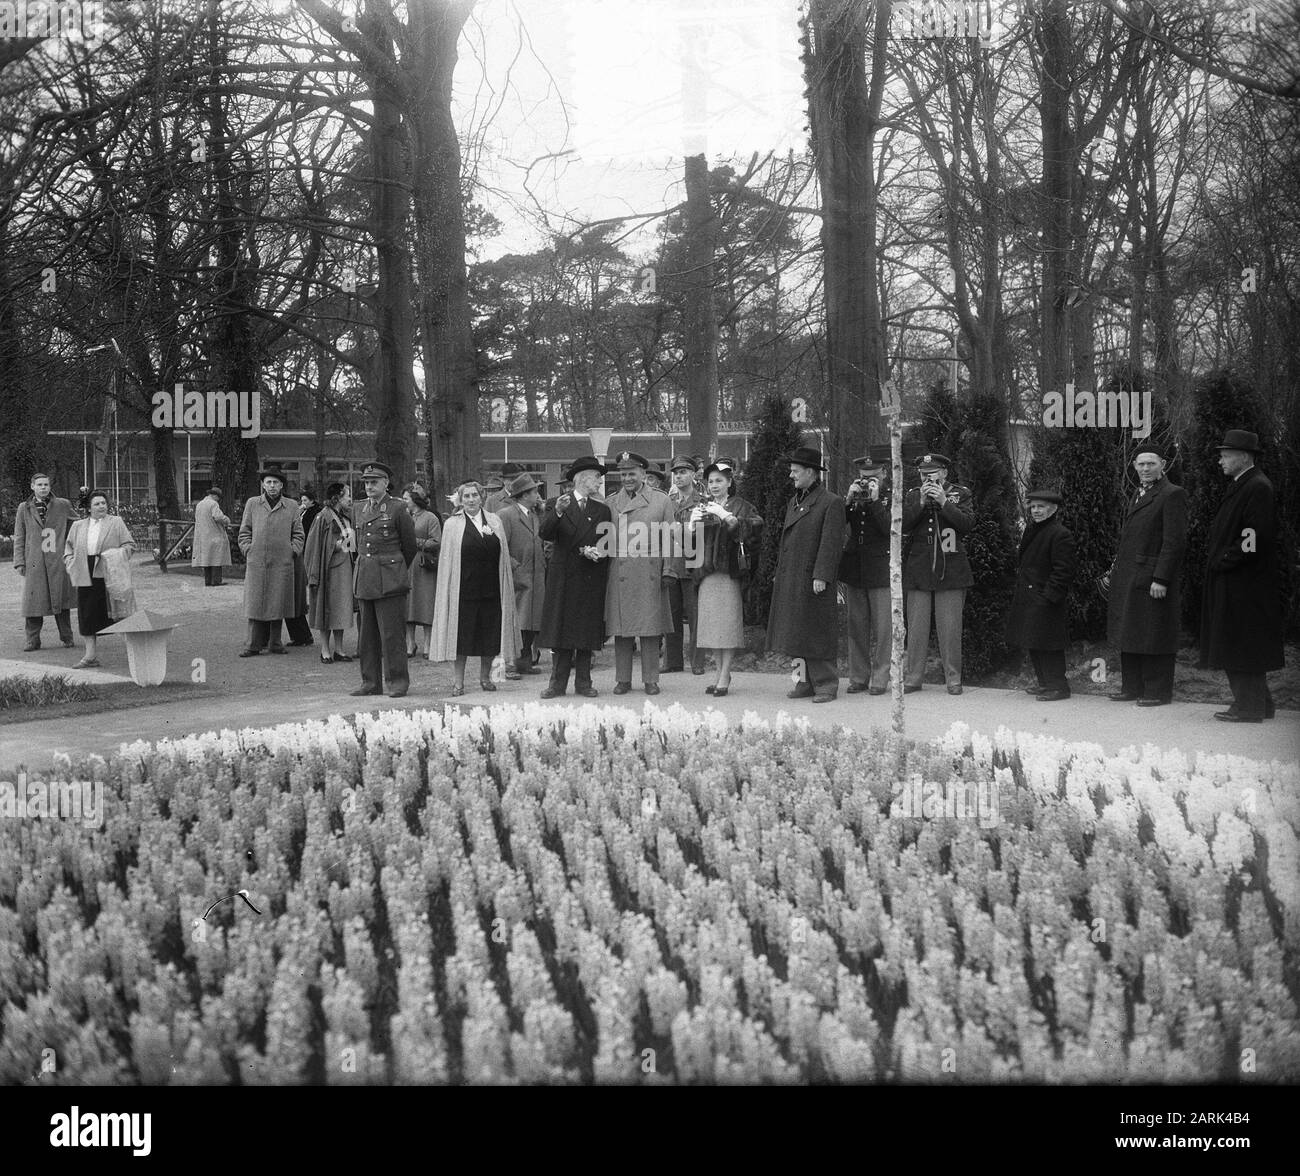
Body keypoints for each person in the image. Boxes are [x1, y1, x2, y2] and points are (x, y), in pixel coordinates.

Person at [1198, 430, 1285, 723]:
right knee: (1241, 642)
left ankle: (1248, 708)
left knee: (1240, 643)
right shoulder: (1244, 483)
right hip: (1238, 581)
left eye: (1225, 455)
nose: (1220, 460)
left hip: (1244, 583)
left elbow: (1252, 536)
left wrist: (1225, 559)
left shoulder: (1257, 486)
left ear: (1244, 457)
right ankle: (1260, 704)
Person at [1102, 444, 1187, 706]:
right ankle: (1132, 687)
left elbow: (1173, 542)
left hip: (1152, 577)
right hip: (1130, 574)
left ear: (1163, 464)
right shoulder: (1138, 494)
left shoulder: (1172, 494)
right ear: (1135, 467)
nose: (1146, 469)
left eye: (1151, 463)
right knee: (1130, 631)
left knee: (1153, 633)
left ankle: (1157, 691)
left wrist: (1161, 578)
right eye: (1141, 464)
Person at [766, 446, 846, 703]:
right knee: (796, 631)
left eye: (795, 471)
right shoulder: (795, 501)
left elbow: (831, 543)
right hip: (793, 577)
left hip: (814, 578)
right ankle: (803, 681)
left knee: (817, 630)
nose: (791, 476)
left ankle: (825, 684)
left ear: (811, 472)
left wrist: (822, 575)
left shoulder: (830, 502)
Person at [429, 480, 519, 695]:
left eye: (474, 496)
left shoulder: (494, 521)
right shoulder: (452, 524)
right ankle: (458, 682)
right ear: (460, 500)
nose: (471, 500)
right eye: (466, 496)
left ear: (481, 498)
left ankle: (486, 678)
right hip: (464, 591)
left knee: (490, 636)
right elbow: (447, 561)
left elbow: (503, 556)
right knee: (461, 638)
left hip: (491, 590)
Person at [538, 456, 612, 697]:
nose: (600, 482)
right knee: (561, 634)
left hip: (589, 578)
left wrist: (596, 554)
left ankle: (584, 683)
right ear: (582, 478)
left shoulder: (602, 509)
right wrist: (558, 512)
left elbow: (606, 544)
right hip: (563, 578)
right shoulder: (557, 504)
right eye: (596, 477)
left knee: (585, 631)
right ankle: (556, 684)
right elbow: (545, 533)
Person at [902, 452, 974, 695]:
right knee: (916, 628)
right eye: (923, 474)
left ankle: (953, 679)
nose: (927, 478)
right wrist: (921, 503)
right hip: (919, 570)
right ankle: (913, 678)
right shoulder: (913, 495)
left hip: (951, 570)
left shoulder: (960, 493)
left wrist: (944, 502)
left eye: (931, 474)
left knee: (950, 628)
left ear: (943, 473)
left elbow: (967, 524)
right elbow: (903, 526)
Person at [689, 462, 763, 697]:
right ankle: (721, 671)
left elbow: (755, 531)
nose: (714, 485)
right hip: (706, 573)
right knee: (711, 626)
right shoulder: (702, 505)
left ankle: (724, 674)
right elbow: (692, 547)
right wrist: (691, 527)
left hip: (730, 573)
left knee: (727, 625)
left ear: (730, 482)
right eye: (711, 481)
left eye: (719, 480)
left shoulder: (743, 506)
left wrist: (729, 518)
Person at [605, 450, 675, 696]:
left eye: (631, 473)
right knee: (622, 630)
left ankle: (651, 679)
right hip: (620, 571)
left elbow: (670, 538)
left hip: (650, 572)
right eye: (623, 474)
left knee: (649, 629)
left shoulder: (661, 500)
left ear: (643, 474)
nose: (627, 478)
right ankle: (623, 679)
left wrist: (669, 569)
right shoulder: (611, 502)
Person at [350, 461, 417, 697]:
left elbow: (410, 546)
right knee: (366, 636)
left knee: (391, 635)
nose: (369, 486)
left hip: (390, 579)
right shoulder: (358, 508)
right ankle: (370, 683)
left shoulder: (398, 508)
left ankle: (397, 682)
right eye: (367, 482)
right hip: (365, 577)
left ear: (386, 484)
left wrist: (395, 569)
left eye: (374, 482)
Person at [1006, 488, 1077, 702]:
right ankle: (1044, 683)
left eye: (1041, 507)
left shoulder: (1060, 534)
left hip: (1045, 598)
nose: (1036, 511)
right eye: (1033, 507)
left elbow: (1063, 570)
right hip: (1029, 596)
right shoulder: (1033, 529)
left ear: (1053, 509)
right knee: (1034, 641)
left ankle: (1058, 686)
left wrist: (1048, 597)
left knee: (1049, 643)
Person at [838, 452, 892, 695]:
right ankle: (858, 676)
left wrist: (875, 501)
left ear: (884, 474)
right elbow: (839, 523)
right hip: (856, 566)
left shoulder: (890, 496)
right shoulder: (856, 494)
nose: (868, 482)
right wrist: (848, 501)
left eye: (873, 477)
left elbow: (889, 528)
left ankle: (881, 678)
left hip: (880, 566)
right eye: (863, 477)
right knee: (856, 625)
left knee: (883, 628)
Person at [63, 490, 135, 668]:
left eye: (103, 503)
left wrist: (114, 555)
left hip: (110, 571)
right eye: (97, 504)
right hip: (84, 572)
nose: (101, 506)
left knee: (119, 612)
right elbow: (68, 549)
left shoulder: (116, 522)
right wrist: (71, 564)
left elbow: (129, 545)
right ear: (89, 508)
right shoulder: (78, 526)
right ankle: (90, 656)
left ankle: (136, 653)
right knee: (87, 614)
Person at [238, 466, 305, 656]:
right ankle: (253, 645)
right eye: (268, 482)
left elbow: (299, 534)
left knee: (278, 603)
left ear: (282, 485)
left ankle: (275, 643)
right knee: (255, 604)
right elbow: (245, 531)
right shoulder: (253, 503)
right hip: (257, 562)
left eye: (276, 482)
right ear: (262, 485)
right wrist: (247, 549)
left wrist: (292, 552)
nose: (272, 486)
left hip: (282, 563)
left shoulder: (291, 505)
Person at [13, 471, 76, 651]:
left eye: (46, 485)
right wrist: (20, 561)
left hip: (57, 560)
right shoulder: (24, 508)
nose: (43, 488)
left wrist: (70, 550)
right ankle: (33, 640)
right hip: (35, 561)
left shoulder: (63, 505)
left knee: (61, 600)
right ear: (32, 486)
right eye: (39, 485)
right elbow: (20, 535)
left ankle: (67, 637)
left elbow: (76, 526)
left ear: (50, 486)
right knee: (34, 602)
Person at [498, 473, 547, 677]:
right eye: (535, 491)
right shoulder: (506, 515)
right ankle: (508, 664)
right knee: (514, 622)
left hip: (535, 576)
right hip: (518, 577)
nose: (538, 495)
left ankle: (524, 661)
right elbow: (501, 547)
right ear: (524, 495)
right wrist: (515, 567)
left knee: (530, 622)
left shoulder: (535, 515)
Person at [663, 455, 707, 675]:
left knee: (695, 615)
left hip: (693, 566)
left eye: (683, 472)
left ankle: (697, 662)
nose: (679, 476)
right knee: (670, 614)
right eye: (676, 473)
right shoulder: (667, 503)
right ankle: (672, 661)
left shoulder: (702, 502)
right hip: (671, 565)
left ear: (693, 474)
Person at [305, 482, 357, 663]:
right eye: (347, 495)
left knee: (341, 609)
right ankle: (325, 649)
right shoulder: (324, 517)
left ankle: (340, 649)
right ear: (337, 497)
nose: (349, 499)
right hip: (328, 569)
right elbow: (315, 545)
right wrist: (338, 544)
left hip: (344, 569)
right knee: (326, 608)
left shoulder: (345, 516)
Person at [403, 484, 442, 657]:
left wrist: (415, 541)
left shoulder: (430, 517)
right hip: (406, 565)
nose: (404, 502)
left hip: (424, 564)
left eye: (406, 499)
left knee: (426, 603)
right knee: (408, 605)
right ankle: (410, 643)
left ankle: (428, 643)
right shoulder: (403, 516)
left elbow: (436, 541)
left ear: (414, 500)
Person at [284, 486, 319, 647]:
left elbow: (302, 533)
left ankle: (302, 636)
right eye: (301, 500)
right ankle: (300, 636)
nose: (302, 503)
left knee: (291, 599)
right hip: (287, 557)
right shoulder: (298, 512)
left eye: (305, 500)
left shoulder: (306, 513)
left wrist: (294, 549)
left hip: (294, 557)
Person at [192, 486, 232, 586]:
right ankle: (216, 581)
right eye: (218, 497)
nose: (219, 499)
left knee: (206, 559)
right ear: (214, 495)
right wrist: (227, 520)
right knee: (216, 558)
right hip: (214, 534)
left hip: (202, 535)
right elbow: (218, 517)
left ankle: (208, 581)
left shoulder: (200, 504)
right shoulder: (213, 504)